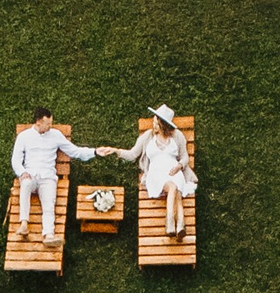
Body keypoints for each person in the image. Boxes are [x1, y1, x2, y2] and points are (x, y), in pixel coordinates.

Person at [10, 107, 98, 243]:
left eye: (51, 123)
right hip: (31, 175)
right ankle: (24, 224)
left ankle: (49, 235)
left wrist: (95, 152)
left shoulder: (55, 135)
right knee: (25, 184)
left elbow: (74, 151)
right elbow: (16, 159)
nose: (51, 126)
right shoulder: (24, 136)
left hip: (47, 177)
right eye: (48, 124)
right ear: (38, 123)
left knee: (49, 203)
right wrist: (22, 172)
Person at [111, 104, 198, 238]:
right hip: (156, 173)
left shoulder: (177, 136)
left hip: (174, 170)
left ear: (163, 125)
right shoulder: (148, 137)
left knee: (177, 191)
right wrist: (117, 151)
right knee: (173, 188)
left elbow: (185, 156)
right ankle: (171, 222)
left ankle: (180, 227)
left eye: (156, 122)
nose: (153, 124)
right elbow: (133, 154)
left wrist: (179, 166)